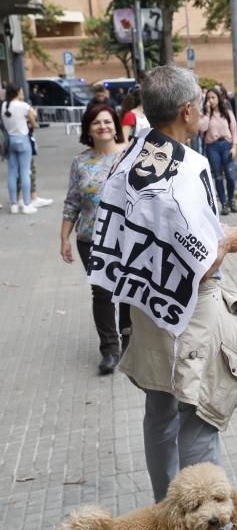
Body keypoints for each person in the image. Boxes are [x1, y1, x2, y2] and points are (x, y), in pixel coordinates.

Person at [86, 64, 237, 530]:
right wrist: (228, 239)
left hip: (147, 309)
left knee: (161, 413)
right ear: (188, 110)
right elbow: (200, 257)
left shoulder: (130, 157)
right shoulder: (186, 167)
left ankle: (167, 518)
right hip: (188, 313)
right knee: (200, 420)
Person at [60, 104, 130, 374]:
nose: (103, 126)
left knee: (127, 289)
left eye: (107, 121)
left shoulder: (130, 157)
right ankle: (109, 350)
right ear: (88, 129)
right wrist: (64, 237)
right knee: (102, 293)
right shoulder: (80, 162)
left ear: (115, 125)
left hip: (126, 235)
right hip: (91, 238)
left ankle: (129, 342)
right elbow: (72, 202)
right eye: (96, 123)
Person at [198, 89, 237, 215]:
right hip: (212, 147)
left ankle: (231, 199)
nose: (211, 100)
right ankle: (224, 203)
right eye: (209, 98)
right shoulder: (204, 114)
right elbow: (202, 128)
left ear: (218, 98)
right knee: (218, 176)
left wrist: (235, 146)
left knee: (231, 176)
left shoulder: (227, 113)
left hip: (227, 145)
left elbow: (234, 130)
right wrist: (208, 112)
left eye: (213, 97)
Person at [4, 83, 38, 214]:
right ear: (17, 92)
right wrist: (34, 122)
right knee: (25, 172)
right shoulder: (23, 105)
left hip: (10, 139)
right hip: (23, 139)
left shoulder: (4, 106)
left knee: (12, 172)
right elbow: (32, 120)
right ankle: (26, 203)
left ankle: (13, 204)